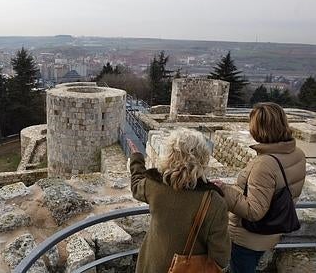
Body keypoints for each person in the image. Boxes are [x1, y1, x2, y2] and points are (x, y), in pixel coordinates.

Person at [213, 102, 306, 273]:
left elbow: (254, 211)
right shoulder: (297, 154)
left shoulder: (264, 164)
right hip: (272, 232)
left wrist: (224, 190)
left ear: (259, 130)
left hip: (247, 239)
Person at [128, 128, 230, 273]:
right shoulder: (214, 202)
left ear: (169, 155)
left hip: (152, 265)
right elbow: (221, 257)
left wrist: (136, 157)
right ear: (203, 158)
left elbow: (136, 185)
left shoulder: (154, 187)